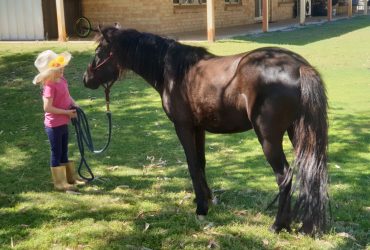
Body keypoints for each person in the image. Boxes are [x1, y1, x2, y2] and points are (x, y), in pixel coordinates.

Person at [33, 50, 85, 191]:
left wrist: (75, 104)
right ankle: (59, 183)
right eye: (58, 67)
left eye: (61, 66)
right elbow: (47, 107)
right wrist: (67, 112)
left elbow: (67, 96)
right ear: (50, 71)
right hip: (54, 125)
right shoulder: (49, 86)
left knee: (64, 151)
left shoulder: (62, 80)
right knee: (56, 152)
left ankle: (70, 178)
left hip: (63, 122)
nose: (62, 69)